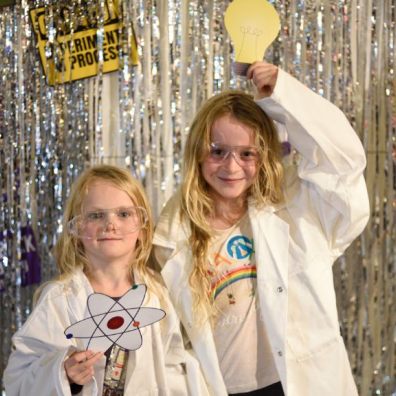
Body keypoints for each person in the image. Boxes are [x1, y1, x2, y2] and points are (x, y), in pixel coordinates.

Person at [152, 62, 370, 396]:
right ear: (197, 153)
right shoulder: (172, 233)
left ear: (264, 154)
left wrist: (284, 94)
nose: (231, 166)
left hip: (303, 382)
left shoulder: (299, 208)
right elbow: (167, 340)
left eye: (246, 153)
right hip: (221, 387)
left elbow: (344, 162)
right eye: (217, 151)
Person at [4, 165, 209, 396]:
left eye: (123, 214)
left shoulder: (157, 295)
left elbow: (173, 367)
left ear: (142, 227)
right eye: (96, 215)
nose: (110, 224)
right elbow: (18, 377)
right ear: (76, 228)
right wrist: (64, 373)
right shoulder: (59, 299)